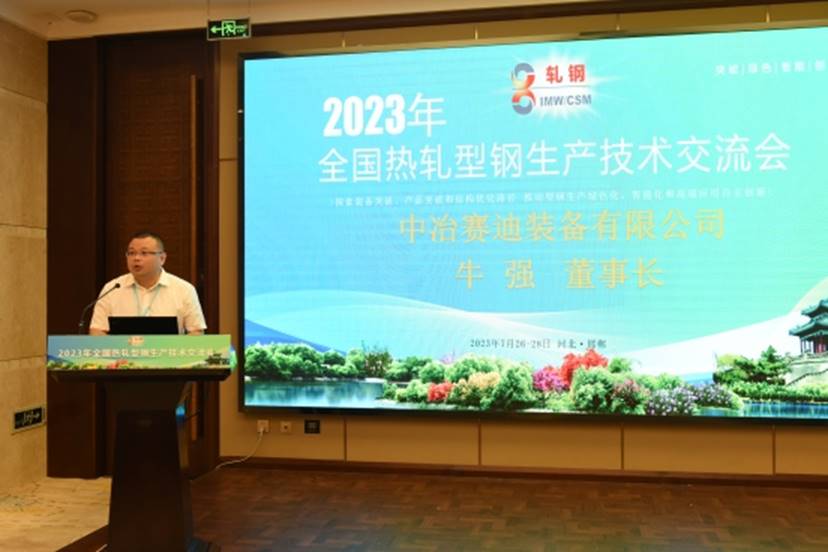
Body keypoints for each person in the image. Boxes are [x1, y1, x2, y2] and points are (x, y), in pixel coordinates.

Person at [89, 231, 206, 335]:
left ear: (162, 258)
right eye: (131, 253)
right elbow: (97, 330)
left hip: (167, 353)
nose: (136, 258)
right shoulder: (112, 288)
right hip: (122, 353)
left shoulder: (184, 289)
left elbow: (196, 331)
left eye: (144, 253)